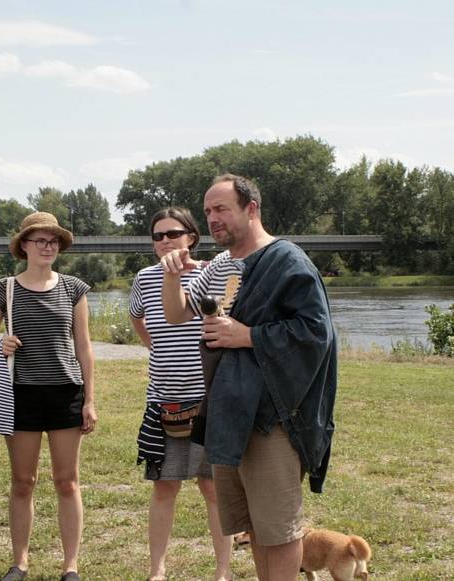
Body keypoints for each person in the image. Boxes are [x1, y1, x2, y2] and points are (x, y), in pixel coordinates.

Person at [160, 174, 337, 581]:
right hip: (231, 411)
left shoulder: (286, 261)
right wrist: (173, 276)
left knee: (279, 528)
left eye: (221, 209)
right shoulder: (222, 265)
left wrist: (248, 335)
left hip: (271, 416)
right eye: (207, 211)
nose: (212, 219)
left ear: (251, 209)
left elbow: (316, 332)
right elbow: (175, 315)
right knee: (256, 525)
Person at [0, 211, 96, 581]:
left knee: (67, 481)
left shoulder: (74, 288)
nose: (48, 247)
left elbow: (84, 347)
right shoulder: (5, 288)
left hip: (66, 393)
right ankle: (20, 562)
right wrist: (1, 343)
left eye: (54, 241)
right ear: (24, 246)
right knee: (23, 481)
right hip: (20, 396)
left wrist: (89, 399)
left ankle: (70, 565)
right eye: (40, 240)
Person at [130, 207, 232, 581]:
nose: (165, 241)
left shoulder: (211, 274)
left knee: (213, 488)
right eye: (157, 236)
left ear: (191, 236)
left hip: (209, 399)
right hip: (164, 399)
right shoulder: (144, 278)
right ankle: (157, 571)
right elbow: (137, 317)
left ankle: (223, 572)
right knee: (164, 487)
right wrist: (155, 348)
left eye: (173, 233)